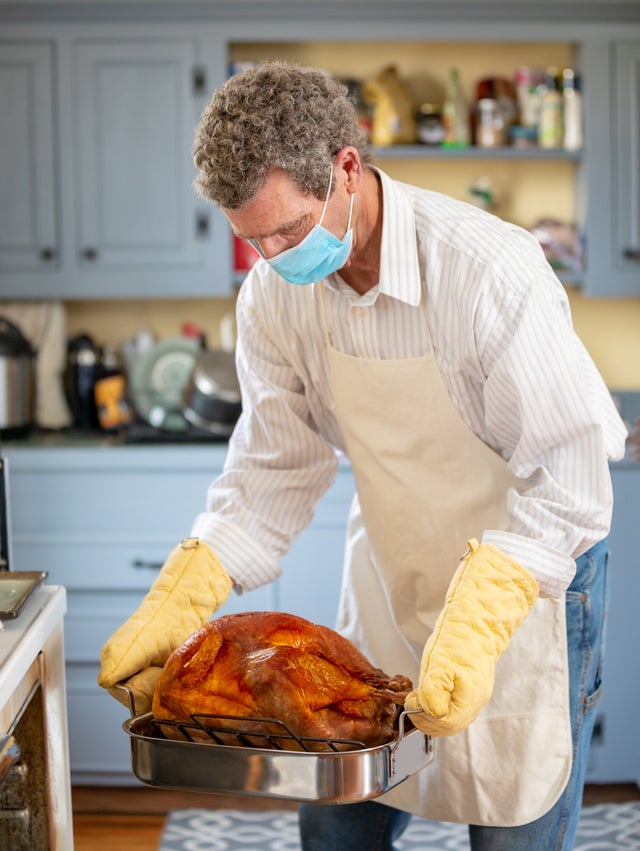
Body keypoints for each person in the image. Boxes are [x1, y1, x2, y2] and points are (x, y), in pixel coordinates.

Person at [99, 61, 627, 850]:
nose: (274, 256)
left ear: (348, 167)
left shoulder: (487, 271)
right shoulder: (274, 294)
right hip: (392, 573)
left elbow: (575, 475)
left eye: (288, 229)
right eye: (253, 239)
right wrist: (191, 585)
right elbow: (275, 467)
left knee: (511, 816)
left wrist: (480, 618)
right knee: (340, 828)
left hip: (527, 588)